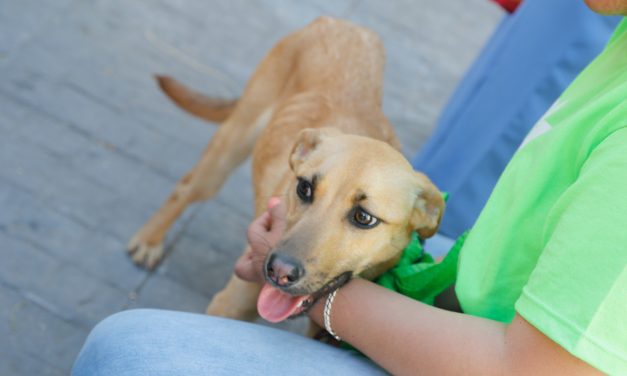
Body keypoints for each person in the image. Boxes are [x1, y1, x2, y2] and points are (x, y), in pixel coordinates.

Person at [73, 1, 627, 374]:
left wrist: (322, 301)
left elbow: (531, 367)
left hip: (487, 350)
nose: (287, 257)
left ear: (426, 215)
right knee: (222, 162)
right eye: (305, 190)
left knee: (123, 350)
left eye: (361, 218)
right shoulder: (615, 36)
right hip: (469, 303)